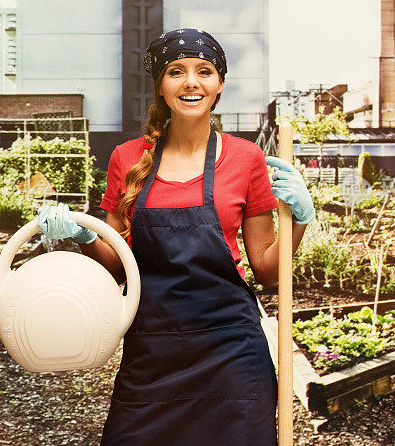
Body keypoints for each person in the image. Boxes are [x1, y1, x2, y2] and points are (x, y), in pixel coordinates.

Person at [36, 28, 315, 445]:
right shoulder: (127, 158)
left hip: (231, 351)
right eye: (176, 71)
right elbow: (116, 266)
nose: (191, 82)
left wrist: (299, 220)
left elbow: (270, 273)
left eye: (204, 71)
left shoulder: (246, 158)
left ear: (219, 85)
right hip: (151, 352)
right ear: (161, 87)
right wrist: (81, 234)